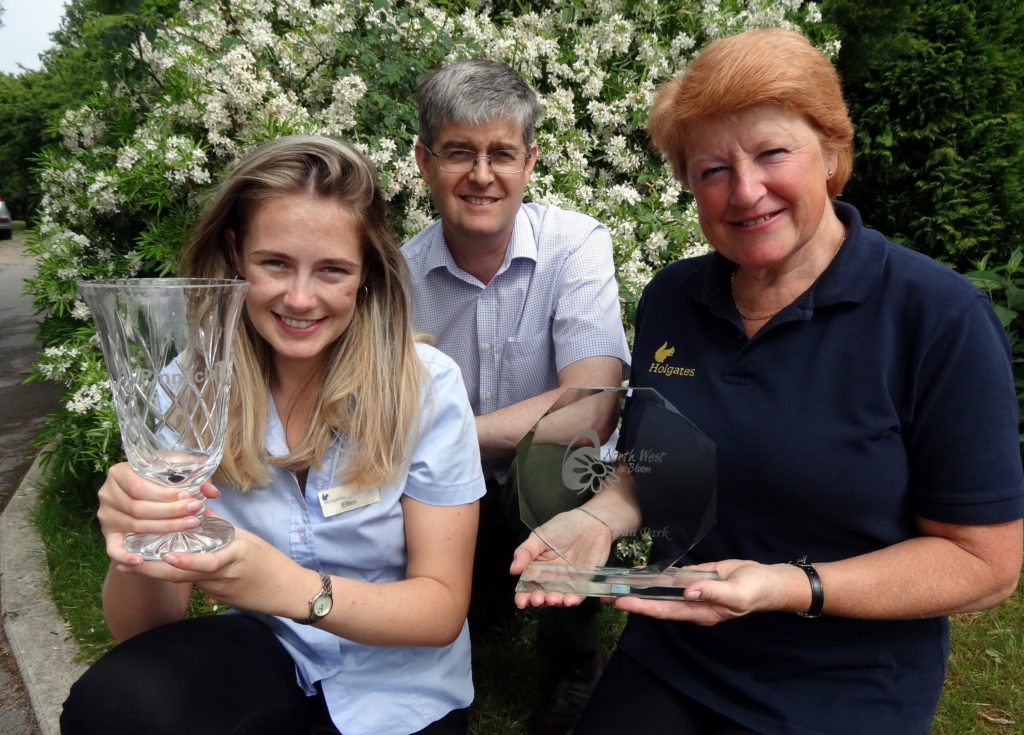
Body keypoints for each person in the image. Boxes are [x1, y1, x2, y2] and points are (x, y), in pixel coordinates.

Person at [512, 28, 1024, 735]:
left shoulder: (936, 319)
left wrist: (790, 585)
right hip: (679, 647)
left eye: (772, 153)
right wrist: (597, 518)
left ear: (832, 152)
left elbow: (984, 563)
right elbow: (650, 465)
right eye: (711, 169)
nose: (744, 190)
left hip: (844, 682)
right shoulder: (673, 299)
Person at [60, 135, 485, 735]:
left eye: (333, 270)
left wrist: (290, 587)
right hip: (269, 652)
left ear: (366, 272)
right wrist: (134, 541)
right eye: (276, 263)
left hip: (401, 686)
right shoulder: (192, 387)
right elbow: (145, 634)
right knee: (117, 705)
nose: (300, 298)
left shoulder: (427, 387)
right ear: (236, 252)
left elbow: (441, 608)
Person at [401, 59, 631, 735]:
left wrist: (447, 435)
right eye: (458, 153)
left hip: (547, 476)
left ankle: (571, 661)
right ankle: (465, 619)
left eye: (501, 152)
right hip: (452, 489)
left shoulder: (575, 244)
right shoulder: (399, 276)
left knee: (564, 460)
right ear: (423, 161)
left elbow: (591, 401)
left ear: (529, 162)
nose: (481, 174)